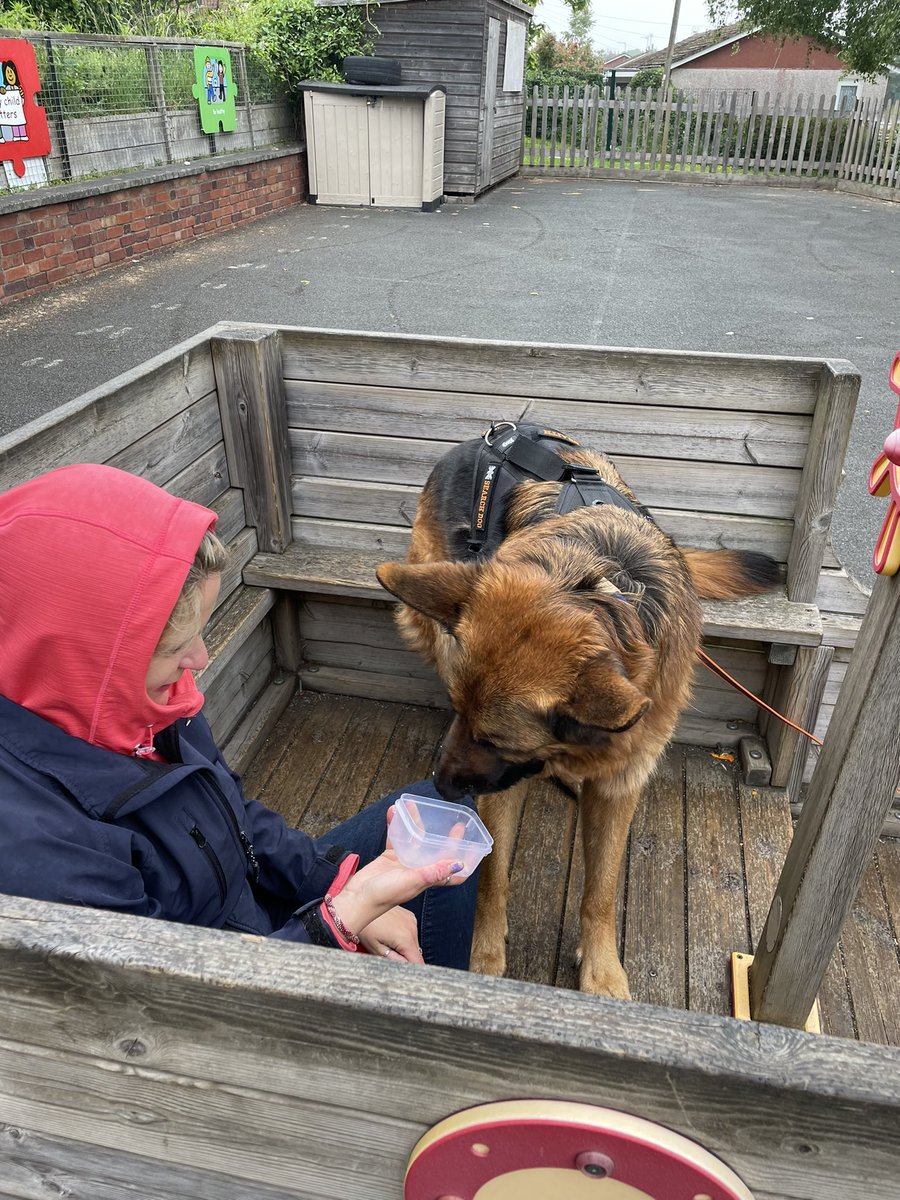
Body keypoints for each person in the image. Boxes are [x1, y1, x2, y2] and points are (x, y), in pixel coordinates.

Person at [0, 464, 479, 968]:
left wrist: (335, 883)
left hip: (254, 908)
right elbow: (166, 1011)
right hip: (224, 988)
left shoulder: (141, 701)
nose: (200, 661)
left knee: (441, 819)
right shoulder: (35, 851)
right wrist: (341, 918)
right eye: (175, 648)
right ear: (81, 660)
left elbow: (236, 817)